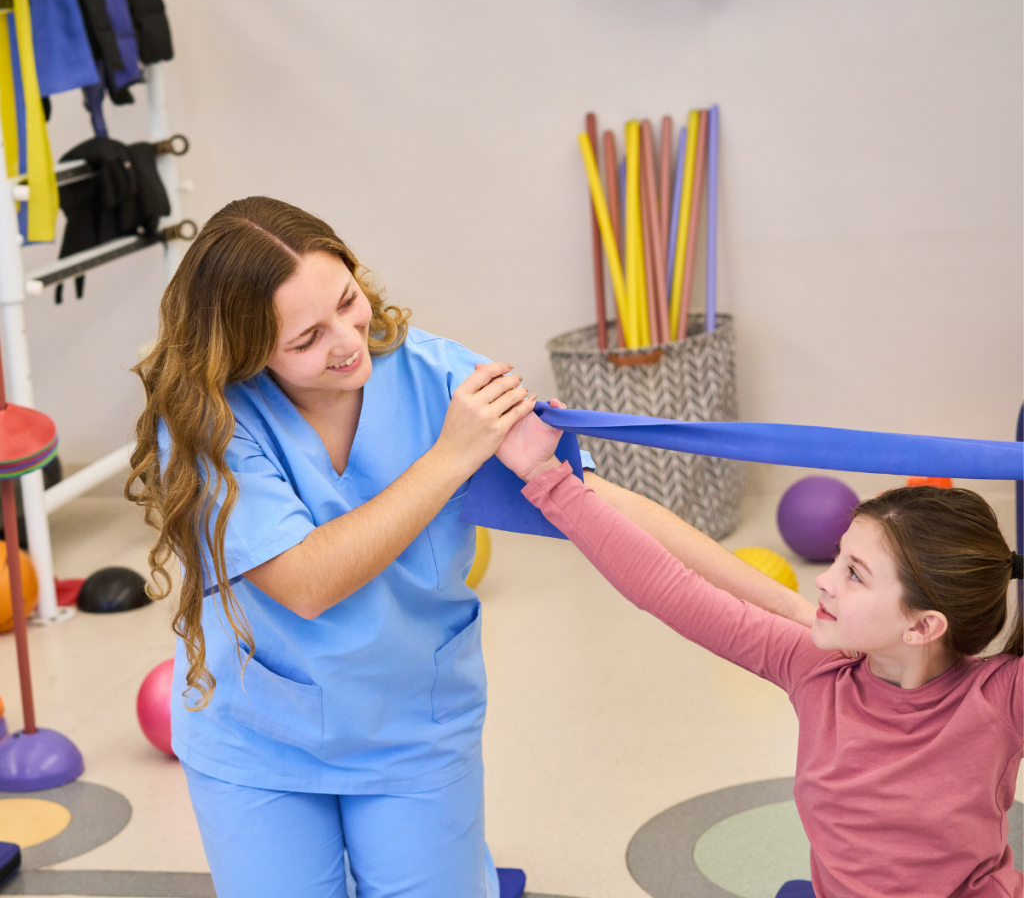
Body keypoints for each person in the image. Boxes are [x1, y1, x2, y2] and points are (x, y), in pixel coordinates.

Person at [128, 196, 814, 898]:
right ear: (242, 353)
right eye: (305, 339)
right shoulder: (208, 420)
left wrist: (797, 616)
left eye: (346, 299)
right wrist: (451, 458)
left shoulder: (443, 382)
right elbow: (305, 582)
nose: (345, 340)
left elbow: (607, 513)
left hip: (411, 730)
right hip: (257, 739)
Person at [500, 402, 1023, 898]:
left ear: (923, 626)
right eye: (838, 558)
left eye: (855, 575)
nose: (823, 581)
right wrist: (545, 475)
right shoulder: (816, 668)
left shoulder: (1000, 700)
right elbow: (669, 588)